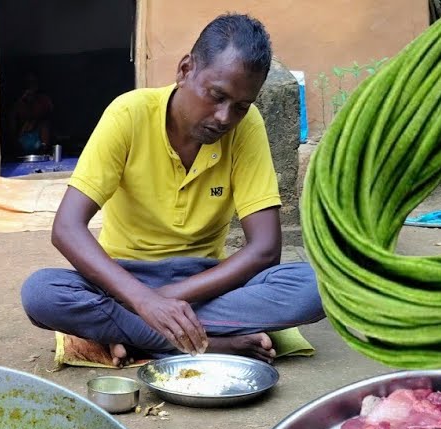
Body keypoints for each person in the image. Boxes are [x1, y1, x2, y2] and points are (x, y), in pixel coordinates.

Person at [19, 14, 323, 366]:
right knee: (42, 293)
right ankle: (211, 342)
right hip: (124, 277)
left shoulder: (246, 127)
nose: (225, 117)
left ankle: (141, 339)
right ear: (184, 69)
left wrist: (161, 300)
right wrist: (142, 299)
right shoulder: (129, 114)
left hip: (205, 281)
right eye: (216, 95)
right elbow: (67, 228)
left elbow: (265, 249)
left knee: (314, 286)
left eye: (241, 106)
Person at [9, 72, 54, 156]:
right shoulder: (19, 102)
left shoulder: (43, 99)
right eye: (28, 83)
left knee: (45, 125)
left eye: (33, 83)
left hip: (39, 136)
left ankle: (43, 150)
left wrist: (34, 121)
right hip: (23, 135)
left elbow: (49, 114)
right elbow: (13, 119)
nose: (31, 86)